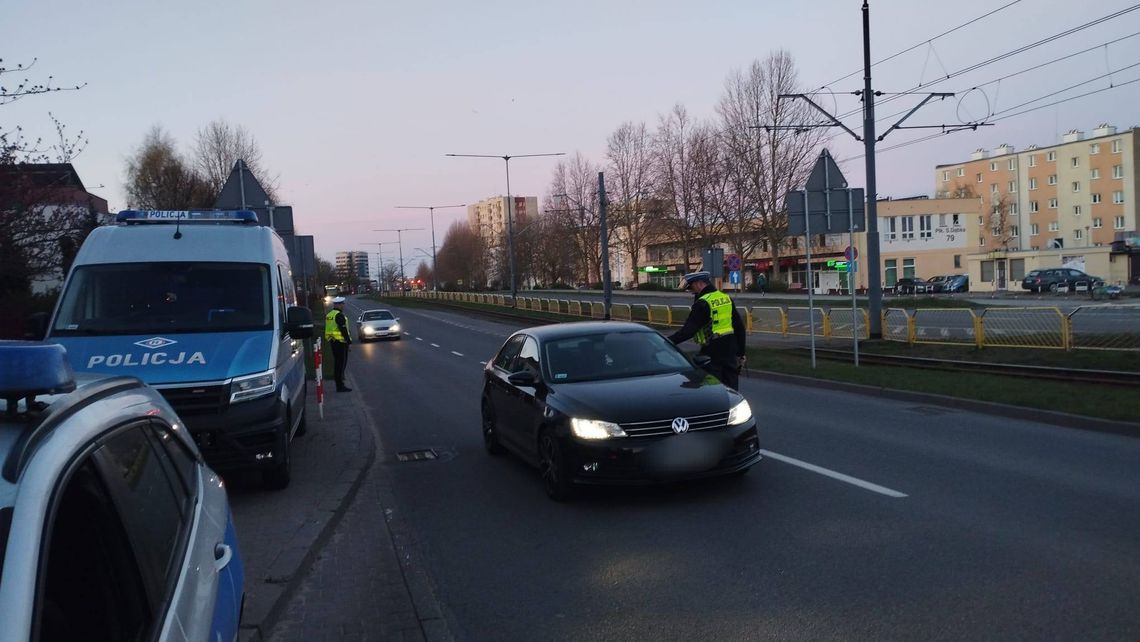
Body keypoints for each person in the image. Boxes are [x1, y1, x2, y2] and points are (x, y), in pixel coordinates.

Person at [668, 271, 747, 390]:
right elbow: (739, 328)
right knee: (731, 390)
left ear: (700, 284)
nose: (692, 291)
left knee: (713, 389)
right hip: (730, 349)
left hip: (712, 352)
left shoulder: (703, 303)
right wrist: (741, 353)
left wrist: (666, 342)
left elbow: (688, 331)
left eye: (692, 287)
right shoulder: (725, 298)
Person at [325, 296, 353, 392]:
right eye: (342, 304)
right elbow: (343, 330)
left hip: (333, 342)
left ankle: (339, 384)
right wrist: (349, 342)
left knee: (337, 364)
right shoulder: (339, 315)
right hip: (340, 343)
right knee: (341, 365)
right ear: (338, 305)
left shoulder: (330, 314)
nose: (343, 305)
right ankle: (340, 385)